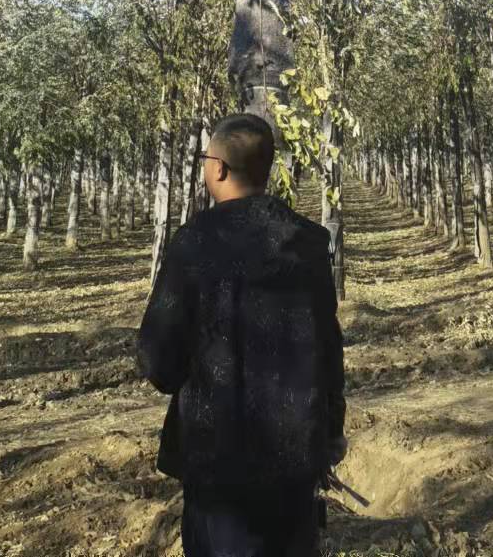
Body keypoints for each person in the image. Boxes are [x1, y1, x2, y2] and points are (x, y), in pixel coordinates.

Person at [135, 112, 347, 557]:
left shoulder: (194, 244)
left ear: (218, 168)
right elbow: (328, 348)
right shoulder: (308, 245)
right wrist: (329, 432)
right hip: (294, 464)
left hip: (218, 469)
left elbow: (158, 361)